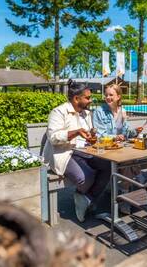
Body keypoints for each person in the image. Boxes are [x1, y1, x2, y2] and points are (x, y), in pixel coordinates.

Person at [43, 80, 111, 222]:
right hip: (63, 153)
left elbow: (88, 136)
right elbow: (53, 138)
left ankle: (85, 198)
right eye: (87, 97)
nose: (90, 100)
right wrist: (76, 132)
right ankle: (87, 199)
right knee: (84, 178)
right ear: (76, 99)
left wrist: (92, 135)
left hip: (83, 151)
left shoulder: (86, 114)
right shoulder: (58, 112)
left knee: (107, 166)